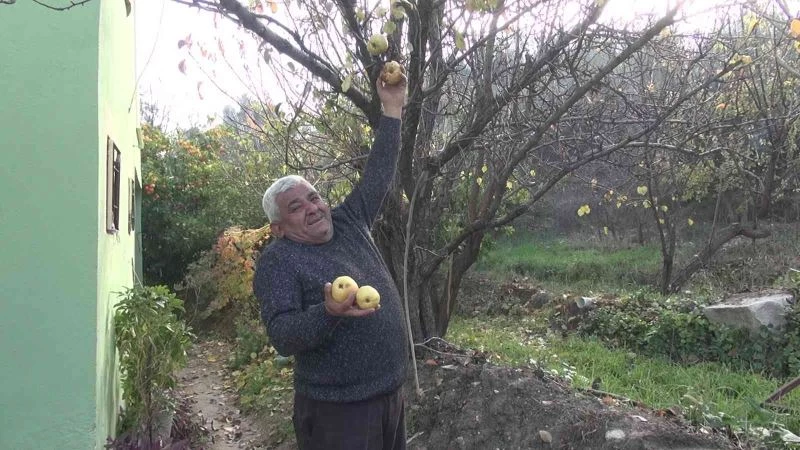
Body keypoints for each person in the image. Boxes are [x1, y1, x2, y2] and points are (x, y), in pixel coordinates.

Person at [253, 76, 408, 450]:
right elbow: (283, 336)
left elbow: (379, 171)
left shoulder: (348, 220)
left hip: (390, 394)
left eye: (314, 197)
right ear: (278, 228)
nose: (312, 208)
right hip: (339, 413)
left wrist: (392, 108)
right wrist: (328, 312)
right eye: (296, 207)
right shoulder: (278, 261)